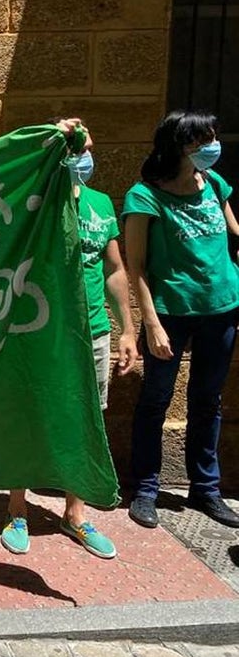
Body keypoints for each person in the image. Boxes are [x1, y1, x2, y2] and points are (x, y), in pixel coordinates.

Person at [0, 131, 138, 558]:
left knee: (86, 418)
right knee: (29, 414)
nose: (88, 157)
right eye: (80, 150)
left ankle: (75, 513)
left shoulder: (100, 205)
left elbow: (114, 270)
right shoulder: (35, 201)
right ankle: (16, 508)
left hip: (93, 332)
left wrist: (126, 329)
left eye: (90, 150)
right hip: (41, 332)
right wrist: (57, 134)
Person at [123, 110, 239, 530]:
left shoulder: (215, 183)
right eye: (201, 139)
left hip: (222, 309)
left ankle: (206, 489)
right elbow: (134, 266)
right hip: (171, 312)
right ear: (178, 145)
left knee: (208, 401)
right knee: (155, 400)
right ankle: (146, 489)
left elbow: (235, 235)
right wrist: (150, 323)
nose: (212, 146)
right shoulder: (145, 196)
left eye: (213, 136)